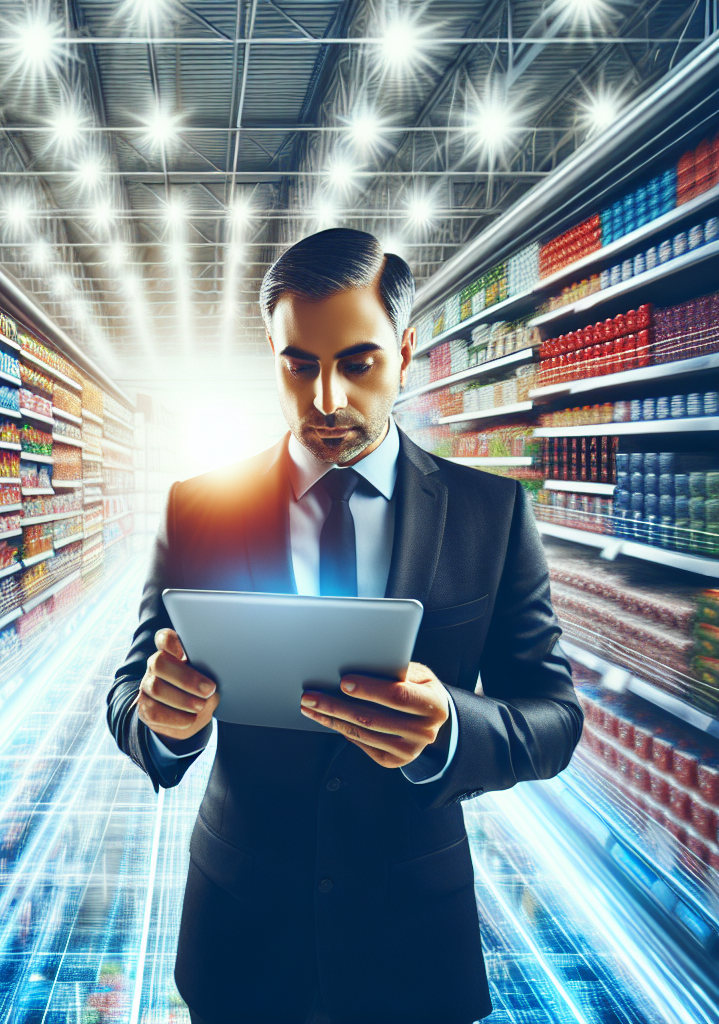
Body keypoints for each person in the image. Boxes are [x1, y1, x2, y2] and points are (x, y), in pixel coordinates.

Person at [106, 228, 583, 1024]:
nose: (327, 398)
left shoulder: (488, 514)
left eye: (358, 362)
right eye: (300, 365)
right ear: (273, 351)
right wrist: (166, 723)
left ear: (405, 347)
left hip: (412, 946)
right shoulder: (197, 508)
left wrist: (450, 733)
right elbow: (130, 696)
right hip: (242, 937)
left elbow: (555, 718)